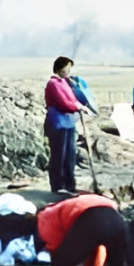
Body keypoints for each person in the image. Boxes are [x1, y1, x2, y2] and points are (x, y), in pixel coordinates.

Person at [36, 194, 131, 266]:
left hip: (91, 221)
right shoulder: (68, 205)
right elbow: (95, 249)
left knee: (60, 265)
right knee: (117, 264)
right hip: (118, 223)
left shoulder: (44, 216)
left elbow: (56, 249)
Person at [44, 56, 93, 195]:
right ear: (60, 69)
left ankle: (70, 184)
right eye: (67, 69)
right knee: (59, 155)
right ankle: (58, 186)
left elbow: (78, 98)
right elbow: (64, 102)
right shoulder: (53, 84)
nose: (68, 72)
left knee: (70, 154)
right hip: (58, 123)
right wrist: (79, 107)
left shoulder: (65, 83)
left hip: (69, 123)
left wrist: (75, 86)